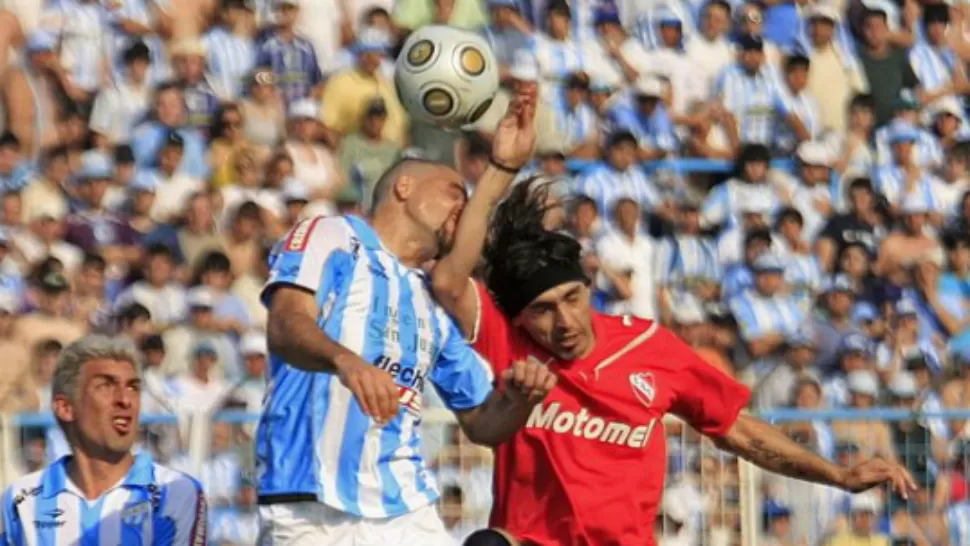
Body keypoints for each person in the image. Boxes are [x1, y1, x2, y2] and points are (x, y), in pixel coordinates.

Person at [429, 170, 918, 544]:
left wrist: (838, 474)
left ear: (590, 286)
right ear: (518, 318)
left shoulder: (650, 347)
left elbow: (741, 430)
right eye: (543, 310)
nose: (565, 322)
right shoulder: (510, 344)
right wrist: (500, 168)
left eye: (572, 298)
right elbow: (449, 282)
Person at [255, 85, 556, 544]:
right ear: (404, 186)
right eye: (456, 191)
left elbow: (481, 422)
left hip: (403, 508)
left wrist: (521, 398)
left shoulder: (432, 301)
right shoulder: (333, 234)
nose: (465, 205)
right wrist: (347, 361)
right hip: (309, 504)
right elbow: (285, 324)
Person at [0, 334, 207, 545]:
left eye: (133, 387)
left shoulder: (174, 494)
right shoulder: (21, 501)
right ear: (65, 408)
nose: (125, 400)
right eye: (106, 386)